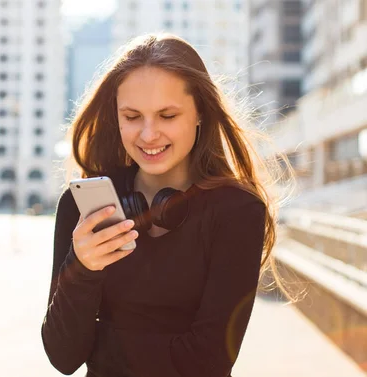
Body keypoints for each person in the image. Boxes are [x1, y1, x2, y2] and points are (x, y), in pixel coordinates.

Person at [41, 33, 294, 377]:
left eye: (167, 115)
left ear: (200, 113)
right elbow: (63, 356)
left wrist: (105, 347)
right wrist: (83, 268)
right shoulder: (81, 206)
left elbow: (208, 361)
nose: (148, 135)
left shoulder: (237, 211)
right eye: (132, 117)